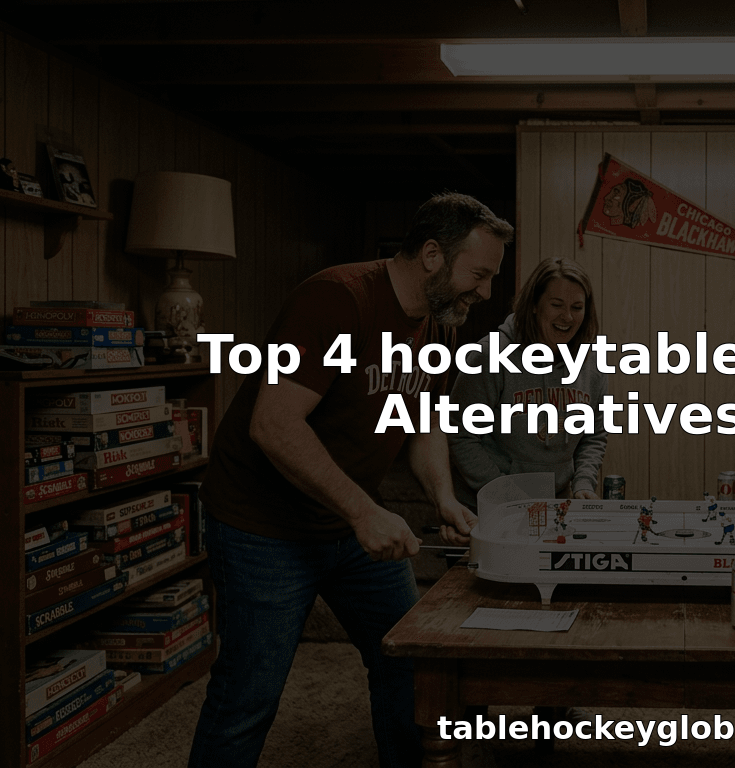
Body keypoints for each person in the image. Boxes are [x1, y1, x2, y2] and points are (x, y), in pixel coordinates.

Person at [189, 193, 513, 768]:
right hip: (262, 526)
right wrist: (364, 512)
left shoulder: (440, 327)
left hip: (342, 520)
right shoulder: (337, 299)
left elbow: (424, 425)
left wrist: (442, 498)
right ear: (433, 255)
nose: (485, 293)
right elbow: (273, 424)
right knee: (249, 695)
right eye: (480, 275)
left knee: (408, 660)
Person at [448, 257, 609, 511]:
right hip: (489, 504)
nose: (567, 317)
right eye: (556, 304)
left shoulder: (592, 364)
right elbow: (460, 433)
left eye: (577, 307)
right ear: (534, 304)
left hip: (556, 504)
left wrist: (583, 483)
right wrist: (506, 495)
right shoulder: (490, 355)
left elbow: (594, 435)